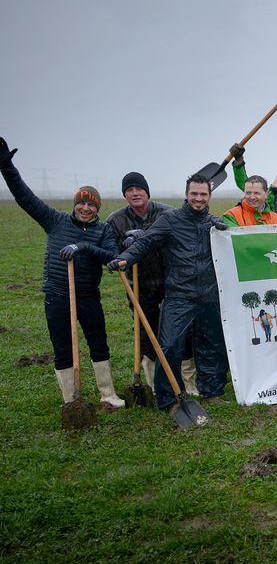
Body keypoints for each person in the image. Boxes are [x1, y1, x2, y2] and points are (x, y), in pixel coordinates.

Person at [0, 138, 125, 408]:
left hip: (88, 296)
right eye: (82, 203)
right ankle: (71, 400)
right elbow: (25, 197)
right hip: (57, 295)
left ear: (97, 209)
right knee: (62, 347)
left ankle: (108, 394)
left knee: (98, 342)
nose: (86, 208)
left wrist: (83, 247)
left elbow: (112, 258)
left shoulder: (103, 231)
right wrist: (6, 166)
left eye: (92, 205)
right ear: (75, 203)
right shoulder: (54, 220)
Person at [110, 173, 231, 409]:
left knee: (212, 345)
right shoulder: (170, 219)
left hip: (209, 295)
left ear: (210, 196)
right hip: (179, 296)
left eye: (203, 194)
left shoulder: (213, 224)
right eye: (194, 194)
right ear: (187, 195)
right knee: (169, 346)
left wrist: (224, 232)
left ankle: (212, 391)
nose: (198, 198)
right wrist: (124, 259)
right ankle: (168, 398)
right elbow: (146, 242)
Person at [107, 171, 173, 387]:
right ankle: (154, 383)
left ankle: (181, 377)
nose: (135, 194)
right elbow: (110, 254)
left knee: (176, 328)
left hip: (169, 280)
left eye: (139, 189)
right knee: (146, 332)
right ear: (125, 195)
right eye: (129, 190)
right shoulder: (116, 220)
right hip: (138, 285)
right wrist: (122, 248)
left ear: (147, 191)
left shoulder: (166, 213)